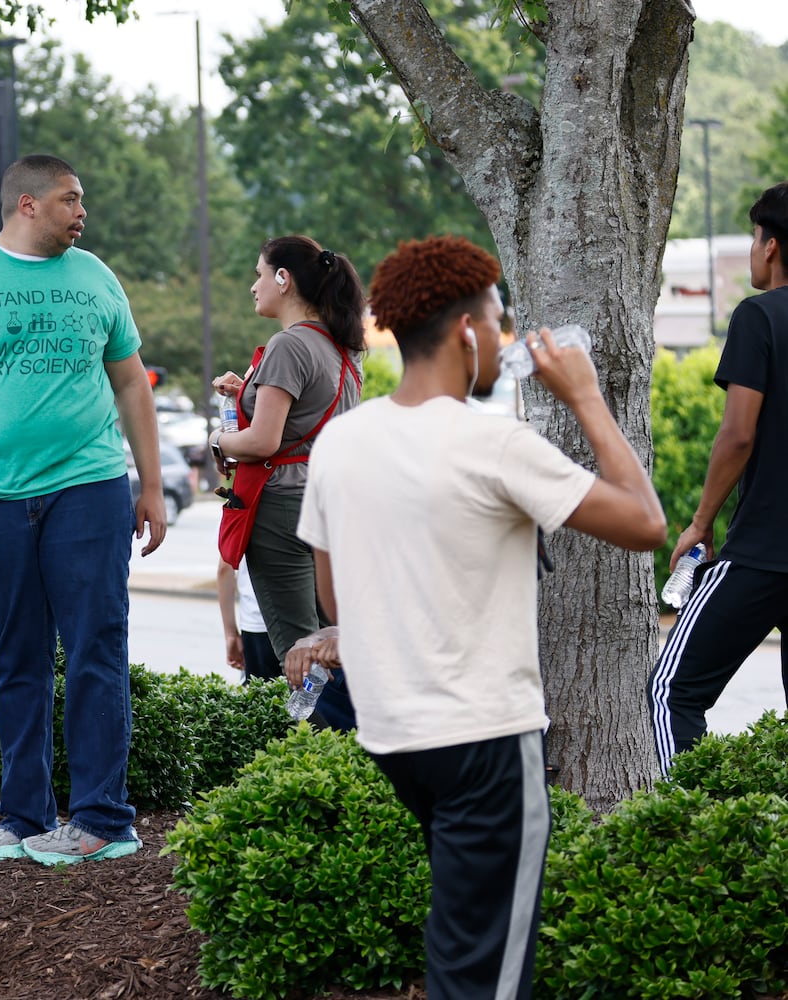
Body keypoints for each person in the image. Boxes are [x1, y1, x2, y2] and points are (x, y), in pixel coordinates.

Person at [295, 235, 666, 999]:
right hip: (486, 741)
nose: (503, 336)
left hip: (394, 733)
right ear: (468, 331)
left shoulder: (342, 439)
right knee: (486, 972)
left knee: (467, 936)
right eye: (498, 318)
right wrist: (587, 396)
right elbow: (644, 522)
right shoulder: (493, 442)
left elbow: (336, 600)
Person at [0, 153, 167, 866]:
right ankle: (23, 818)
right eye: (69, 200)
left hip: (89, 488)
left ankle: (102, 819)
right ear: (26, 203)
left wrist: (150, 484)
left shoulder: (97, 278)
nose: (82, 212)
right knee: (17, 659)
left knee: (95, 651)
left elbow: (132, 387)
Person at [649, 182, 788, 774]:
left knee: (668, 691)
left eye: (755, 238)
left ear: (772, 246)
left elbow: (737, 434)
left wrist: (701, 522)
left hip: (762, 551)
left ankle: (690, 829)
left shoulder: (759, 316)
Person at [209, 235, 365, 729]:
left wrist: (218, 438)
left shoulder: (287, 344)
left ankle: (320, 767)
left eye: (260, 274)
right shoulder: (340, 346)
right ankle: (361, 759)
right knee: (334, 640)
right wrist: (248, 391)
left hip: (280, 510)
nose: (253, 286)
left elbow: (261, 443)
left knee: (301, 654)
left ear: (284, 279)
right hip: (328, 503)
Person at [216, 556, 276, 682]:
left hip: (257, 622)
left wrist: (231, 634)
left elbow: (225, 567)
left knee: (263, 696)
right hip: (304, 621)